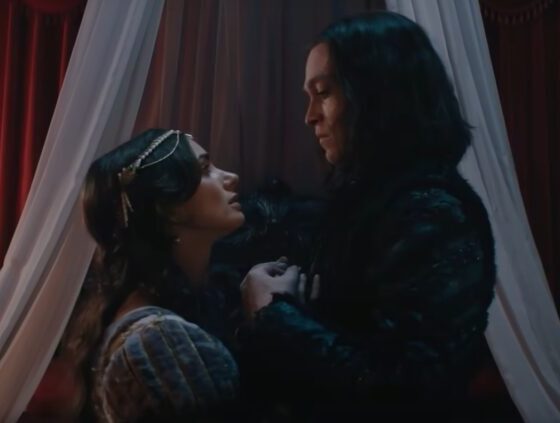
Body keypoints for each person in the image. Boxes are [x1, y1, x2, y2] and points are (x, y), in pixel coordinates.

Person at [239, 11, 496, 421]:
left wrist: (274, 313)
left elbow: (407, 387)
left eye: (323, 92)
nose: (310, 115)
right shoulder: (369, 204)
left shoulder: (433, 214)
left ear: (378, 96)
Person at [61, 128, 244, 421]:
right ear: (169, 209)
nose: (231, 177)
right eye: (205, 171)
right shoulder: (158, 342)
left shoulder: (170, 310)